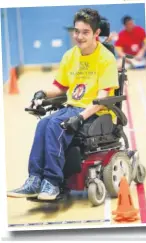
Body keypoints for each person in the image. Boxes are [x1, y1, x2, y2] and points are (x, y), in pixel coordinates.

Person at [7, 8, 119, 201]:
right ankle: (34, 180)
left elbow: (102, 100)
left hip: (95, 111)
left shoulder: (106, 59)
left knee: (55, 125)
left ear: (96, 33)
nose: (79, 36)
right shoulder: (70, 55)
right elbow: (59, 86)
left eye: (85, 32)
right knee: (43, 123)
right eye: (77, 31)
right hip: (72, 107)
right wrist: (42, 94)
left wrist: (80, 117)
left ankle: (52, 182)